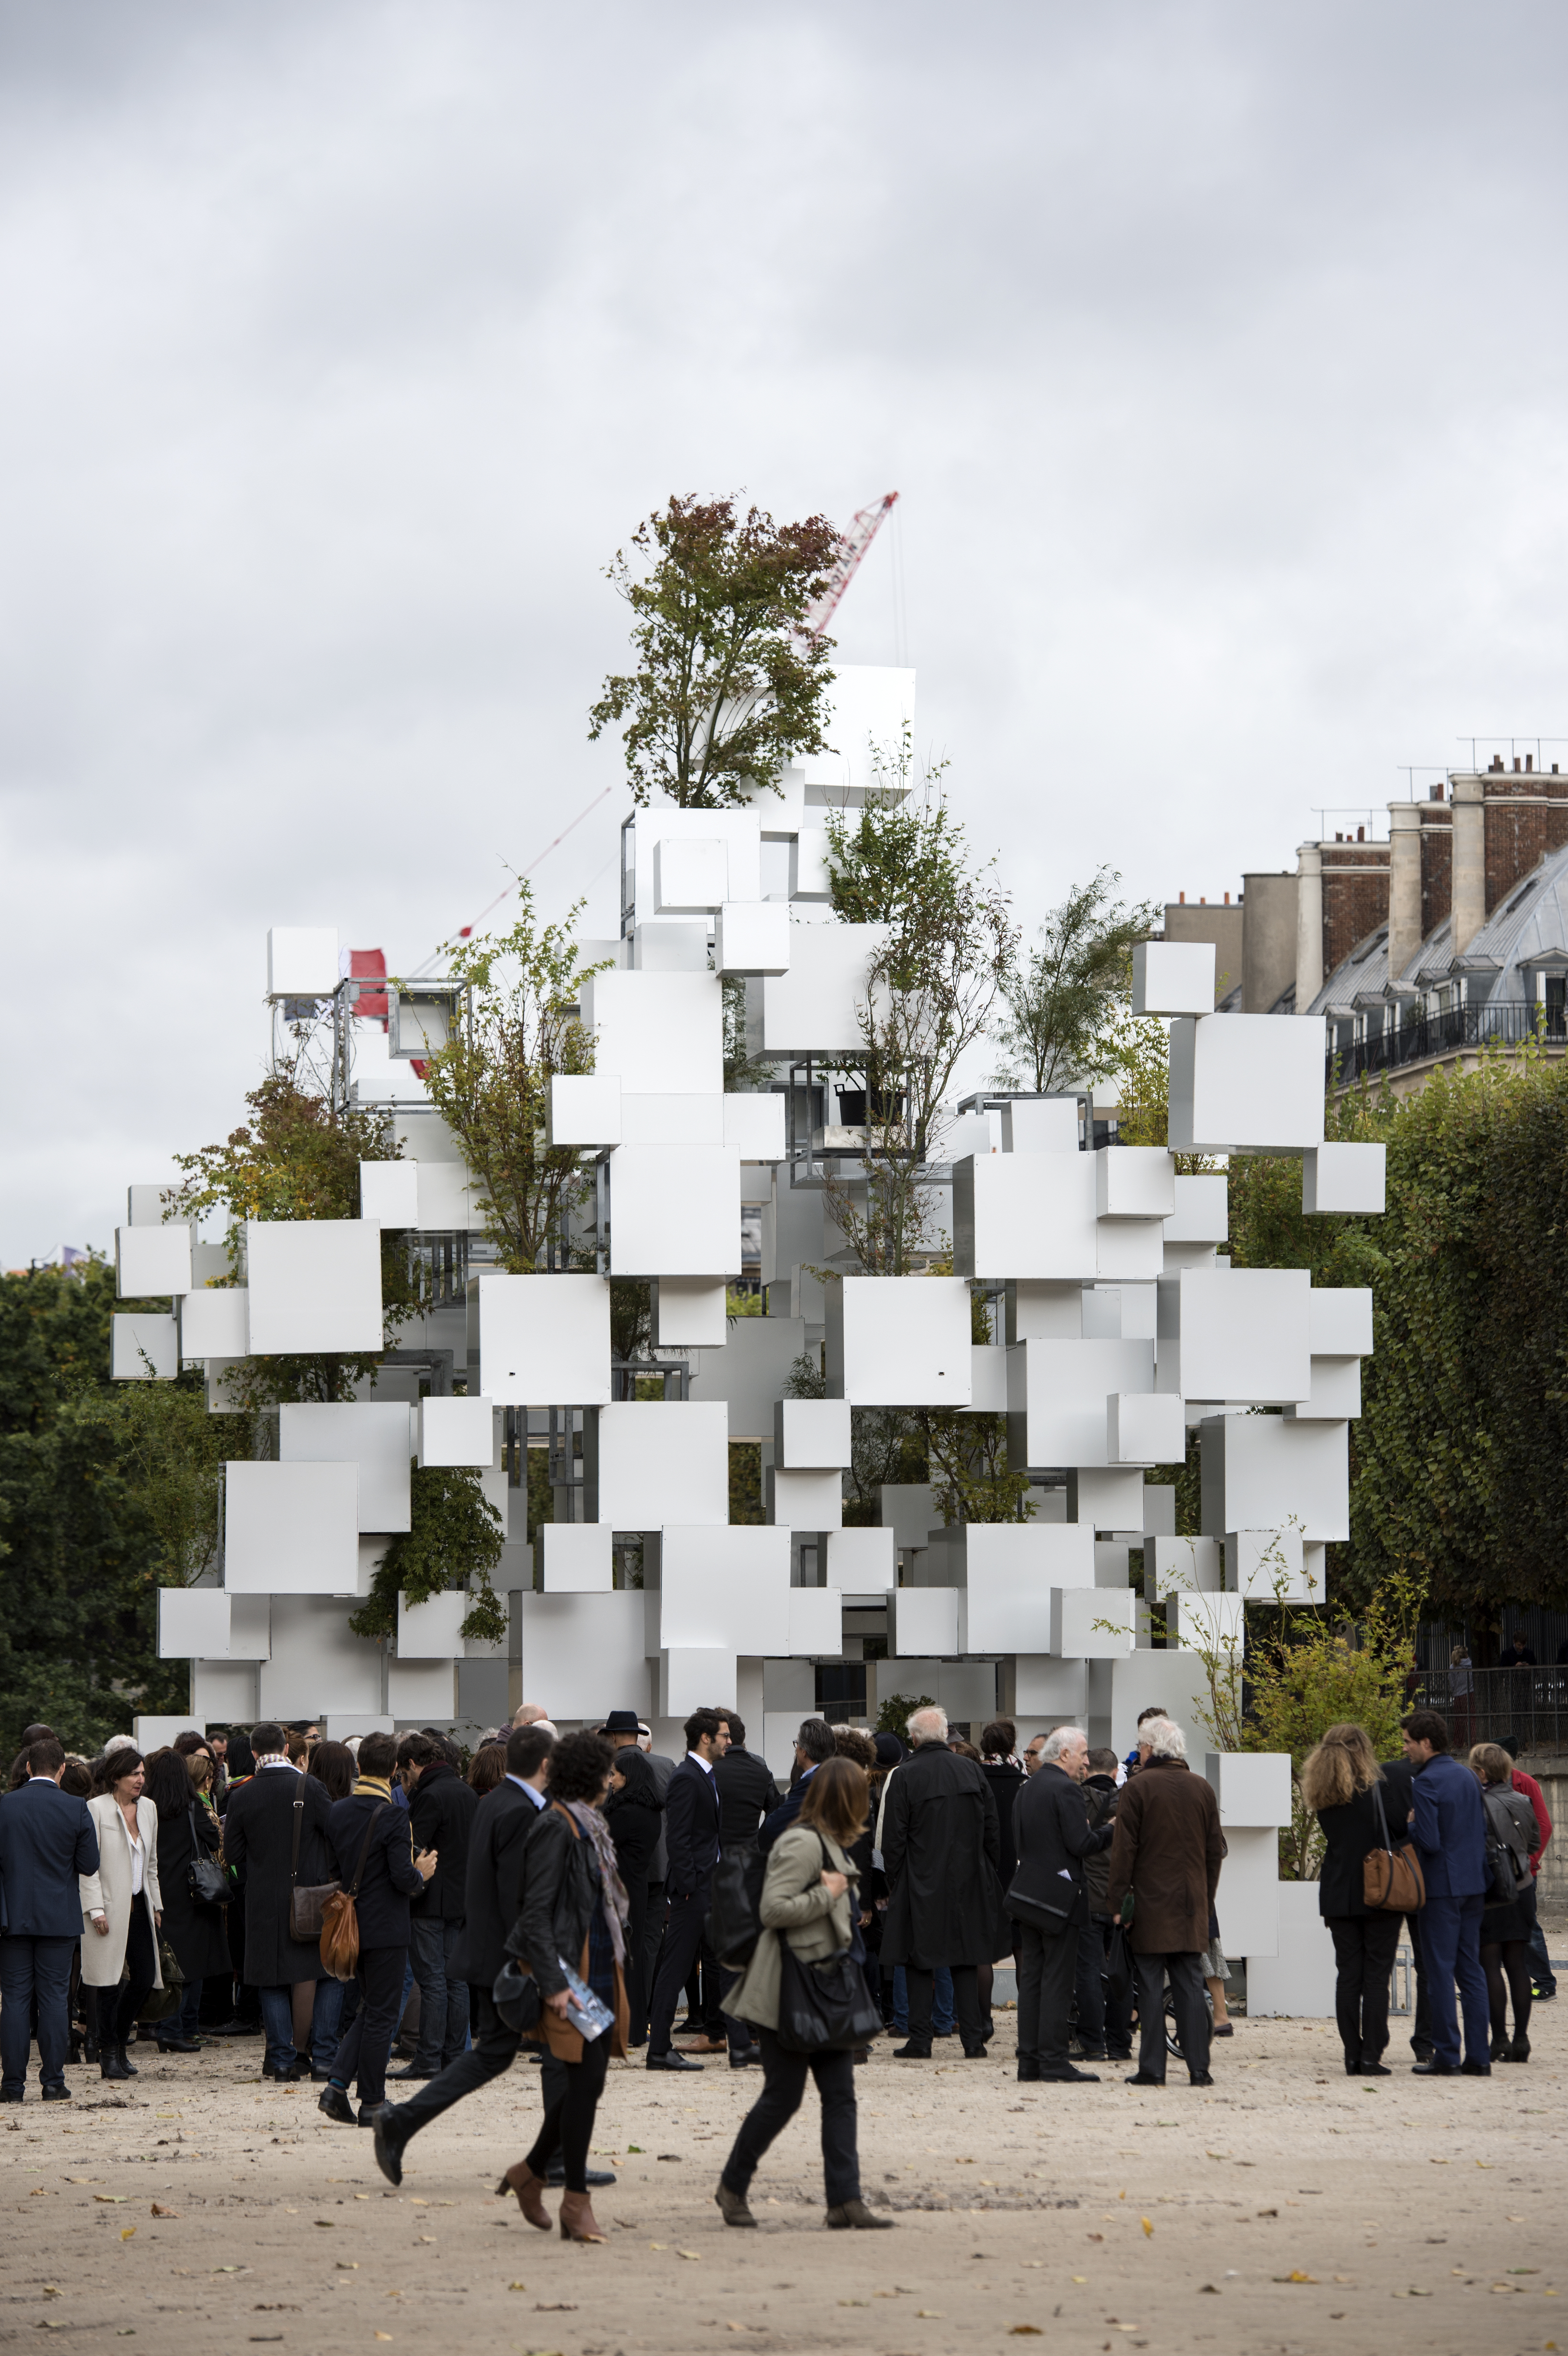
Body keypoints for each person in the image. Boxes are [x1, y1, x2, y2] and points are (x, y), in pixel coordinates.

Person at [372, 1722, 560, 2187]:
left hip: (491, 1948)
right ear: (545, 1764)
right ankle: (551, 2159)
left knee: (496, 2052)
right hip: (510, 1955)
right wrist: (542, 1965)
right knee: (560, 2050)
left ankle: (404, 2120)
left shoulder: (498, 1802)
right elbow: (520, 1897)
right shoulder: (516, 1809)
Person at [718, 1754, 893, 2231]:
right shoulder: (801, 1842)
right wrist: (829, 1894)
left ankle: (845, 2199)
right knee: (782, 2096)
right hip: (790, 1988)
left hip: (827, 1983)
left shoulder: (831, 1843)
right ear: (847, 1799)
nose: (869, 1804)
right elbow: (774, 1909)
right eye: (864, 1796)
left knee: (840, 2095)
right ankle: (732, 2184)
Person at [497, 1730, 630, 2242]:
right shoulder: (556, 1825)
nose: (613, 1779)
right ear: (590, 1775)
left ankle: (529, 2173)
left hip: (596, 1963)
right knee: (584, 2080)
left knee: (587, 2083)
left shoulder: (589, 1823)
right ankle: (575, 2200)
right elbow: (535, 1913)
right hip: (568, 1971)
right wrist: (553, 1984)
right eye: (607, 1770)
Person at [318, 1732, 436, 2125]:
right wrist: (421, 1874)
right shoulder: (394, 1815)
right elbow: (403, 1878)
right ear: (394, 1770)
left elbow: (335, 1870)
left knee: (371, 2011)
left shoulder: (337, 1811)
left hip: (350, 1923)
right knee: (382, 2015)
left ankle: (337, 2087)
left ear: (359, 1766)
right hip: (386, 1926)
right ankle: (371, 2100)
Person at [880, 1704, 1006, 2061]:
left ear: (915, 1738)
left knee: (920, 1959)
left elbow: (894, 1839)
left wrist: (898, 1882)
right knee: (966, 1959)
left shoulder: (905, 1775)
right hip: (969, 1878)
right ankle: (973, 2040)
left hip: (921, 1880)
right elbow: (992, 1829)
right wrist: (985, 1871)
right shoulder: (970, 1769)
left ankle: (921, 2039)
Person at [222, 1721, 345, 2083]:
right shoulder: (311, 1787)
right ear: (288, 1749)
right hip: (312, 1899)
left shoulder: (241, 1795)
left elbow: (233, 1856)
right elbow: (335, 1836)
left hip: (262, 1902)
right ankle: (323, 2058)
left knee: (271, 1981)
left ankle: (280, 2061)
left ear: (255, 1753)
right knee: (328, 1976)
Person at [1104, 1715, 1223, 2090]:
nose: (1139, 1751)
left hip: (1149, 1903)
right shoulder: (1201, 1788)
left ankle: (1153, 2068)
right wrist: (1206, 1895)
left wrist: (1117, 1902)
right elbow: (1214, 1852)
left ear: (1151, 1749)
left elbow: (1124, 1851)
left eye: (1141, 1745)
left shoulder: (1138, 1788)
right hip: (1191, 1902)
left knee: (1151, 1986)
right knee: (1190, 1985)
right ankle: (1199, 2069)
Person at [1300, 1722, 1410, 2077]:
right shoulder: (1379, 1790)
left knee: (1348, 1975)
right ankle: (1372, 2054)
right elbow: (1400, 1830)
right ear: (1362, 1750)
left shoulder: (1323, 1794)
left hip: (1338, 1891)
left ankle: (1351, 2053)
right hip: (1379, 1888)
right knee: (1377, 1975)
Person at [1009, 1727, 1115, 2083]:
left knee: (1033, 1980)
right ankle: (1054, 2061)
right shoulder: (1066, 1789)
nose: (1087, 1761)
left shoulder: (1028, 1788)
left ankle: (1030, 2061)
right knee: (1057, 1981)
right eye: (1083, 1754)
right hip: (1061, 1898)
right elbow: (1082, 1843)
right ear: (1065, 1754)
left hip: (1028, 1894)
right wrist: (1112, 1828)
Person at [0, 1736, 99, 2102]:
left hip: (14, 1917)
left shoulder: (5, 1805)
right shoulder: (75, 1808)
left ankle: (12, 2086)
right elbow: (90, 1865)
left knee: (13, 1999)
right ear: (61, 1769)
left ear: (27, 1767)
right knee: (56, 2000)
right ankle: (54, 2082)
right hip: (59, 1915)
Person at [1402, 1707, 1490, 2075]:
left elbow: (1430, 1841)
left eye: (1408, 1742)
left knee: (1439, 1971)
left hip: (1441, 1887)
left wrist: (1410, 1827)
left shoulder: (1425, 1782)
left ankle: (1447, 2055)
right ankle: (1479, 2058)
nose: (1405, 1748)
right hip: (1474, 1883)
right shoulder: (1468, 1776)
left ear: (1425, 1743)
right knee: (1471, 1971)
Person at [392, 1731, 478, 2081]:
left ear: (412, 1764)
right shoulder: (466, 1792)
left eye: (403, 1773)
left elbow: (414, 1848)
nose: (403, 1780)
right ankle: (455, 2057)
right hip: (461, 1900)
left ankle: (428, 2059)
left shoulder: (429, 1796)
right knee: (455, 1980)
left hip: (429, 1901)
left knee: (433, 1982)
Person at [645, 1708, 727, 2072]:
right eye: (724, 1735)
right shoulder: (687, 1777)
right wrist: (692, 1886)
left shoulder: (705, 1776)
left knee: (718, 1964)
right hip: (693, 1891)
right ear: (705, 1738)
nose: (729, 1740)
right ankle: (659, 2049)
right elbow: (677, 1837)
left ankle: (736, 2042)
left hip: (707, 1887)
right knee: (676, 1969)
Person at [79, 1747, 163, 2083]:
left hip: (140, 1905)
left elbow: (152, 1864)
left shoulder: (149, 1809)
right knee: (109, 1982)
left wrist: (156, 1904)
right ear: (116, 1777)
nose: (141, 1780)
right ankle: (109, 2051)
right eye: (134, 1774)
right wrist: (95, 1909)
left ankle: (118, 2042)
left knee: (144, 1977)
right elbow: (88, 1868)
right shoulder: (96, 1809)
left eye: (143, 1774)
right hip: (108, 1908)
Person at [140, 1748, 228, 2056]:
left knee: (169, 1964)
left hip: (158, 1892)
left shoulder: (144, 1809)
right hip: (191, 1893)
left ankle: (169, 2027)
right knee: (194, 1964)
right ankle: (181, 2029)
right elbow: (214, 1839)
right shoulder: (191, 1807)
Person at [1470, 1741, 1540, 2062]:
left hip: (1493, 1889)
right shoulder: (1524, 1800)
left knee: (1490, 1966)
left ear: (1482, 1772)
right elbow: (1535, 1840)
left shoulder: (1478, 1804)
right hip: (1523, 1886)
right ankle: (1522, 2039)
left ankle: (1499, 2038)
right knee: (1517, 1964)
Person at [603, 1743, 663, 2046]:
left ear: (630, 1777)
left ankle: (624, 2028)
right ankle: (635, 2028)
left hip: (620, 1890)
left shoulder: (626, 1813)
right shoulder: (649, 1811)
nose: (611, 1780)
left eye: (615, 1775)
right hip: (636, 1887)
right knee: (634, 1956)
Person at [1077, 1745, 1127, 2062]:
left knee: (1089, 1973)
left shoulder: (1076, 1799)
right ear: (1114, 1772)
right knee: (1121, 1973)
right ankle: (1120, 2043)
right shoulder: (1129, 1803)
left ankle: (1092, 2042)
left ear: (1085, 1770)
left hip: (1089, 1901)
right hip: (1122, 1902)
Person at [978, 1720, 1026, 2044]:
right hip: (1022, 1874)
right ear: (1012, 1746)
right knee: (1024, 1951)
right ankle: (1029, 2025)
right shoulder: (1027, 1782)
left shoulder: (975, 1778)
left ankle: (983, 2024)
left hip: (985, 1873)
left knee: (983, 1952)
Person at [1498, 1735, 1556, 2001]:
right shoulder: (1479, 1784)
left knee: (1528, 1926)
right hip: (1494, 1869)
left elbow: (1543, 1826)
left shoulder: (1526, 1784)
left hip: (1522, 1871)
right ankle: (1479, 1986)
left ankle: (1545, 1982)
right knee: (1488, 1926)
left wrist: (1528, 1863)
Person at [758, 1718, 836, 1853]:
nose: (796, 1750)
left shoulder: (811, 1783)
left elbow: (773, 1825)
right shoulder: (841, 1777)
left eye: (797, 1744)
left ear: (804, 1751)